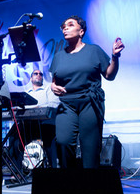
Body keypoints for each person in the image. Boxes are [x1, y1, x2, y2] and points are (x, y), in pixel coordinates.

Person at [50, 15, 124, 168]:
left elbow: (109, 75)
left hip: (90, 102)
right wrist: (52, 87)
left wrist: (115, 56)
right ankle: (69, 184)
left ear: (81, 31)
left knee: (90, 146)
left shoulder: (93, 50)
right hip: (67, 104)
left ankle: (90, 185)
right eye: (63, 26)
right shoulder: (58, 56)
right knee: (63, 141)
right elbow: (54, 81)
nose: (65, 28)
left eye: (70, 25)